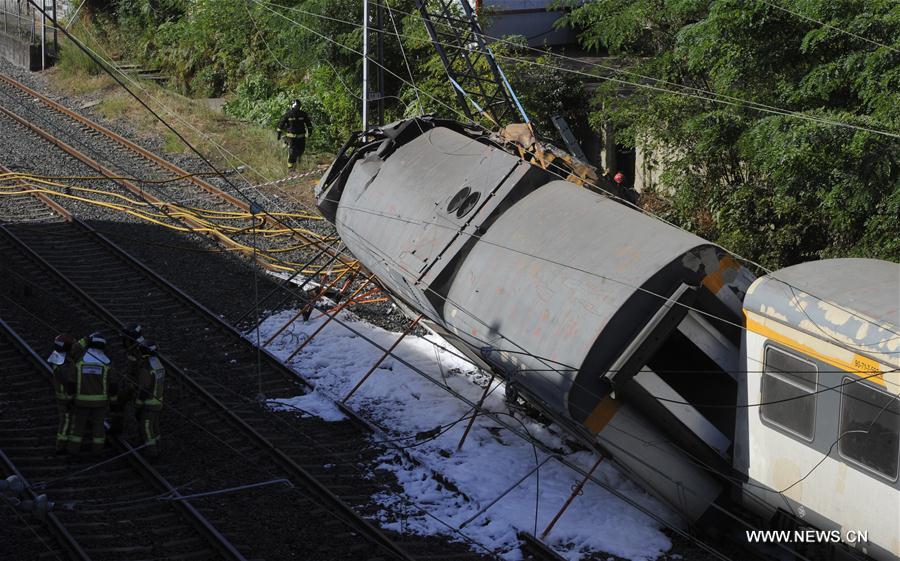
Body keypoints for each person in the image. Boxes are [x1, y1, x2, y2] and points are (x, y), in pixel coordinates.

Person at [67, 332, 113, 456]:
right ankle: (97, 452)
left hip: (81, 401)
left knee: (78, 427)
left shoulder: (80, 362)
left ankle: (73, 451)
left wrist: (84, 340)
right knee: (99, 428)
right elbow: (113, 383)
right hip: (100, 403)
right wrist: (113, 400)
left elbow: (71, 381)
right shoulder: (107, 363)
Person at [110, 323, 144, 436]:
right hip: (134, 386)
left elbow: (137, 373)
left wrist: (130, 386)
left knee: (138, 414)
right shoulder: (138, 349)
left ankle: (142, 437)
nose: (123, 342)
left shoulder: (137, 353)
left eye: (124, 339)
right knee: (119, 403)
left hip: (136, 388)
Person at [133, 339, 165, 459]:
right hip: (158, 402)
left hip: (149, 404)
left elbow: (144, 389)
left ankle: (151, 452)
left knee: (146, 427)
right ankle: (158, 447)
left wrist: (138, 404)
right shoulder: (158, 364)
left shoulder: (147, 367)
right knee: (154, 426)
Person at [47, 334, 78, 454]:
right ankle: (61, 445)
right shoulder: (63, 364)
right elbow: (68, 381)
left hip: (62, 395)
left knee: (66, 420)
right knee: (66, 420)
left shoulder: (57, 358)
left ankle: (63, 443)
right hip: (65, 396)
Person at [276, 99, 313, 170]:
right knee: (292, 152)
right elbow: (281, 124)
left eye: (299, 106)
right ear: (292, 106)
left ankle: (297, 164)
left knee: (301, 151)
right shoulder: (288, 114)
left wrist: (310, 131)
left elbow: (308, 123)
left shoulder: (303, 114)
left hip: (301, 137)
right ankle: (290, 167)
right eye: (296, 106)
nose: (298, 107)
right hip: (291, 137)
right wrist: (279, 134)